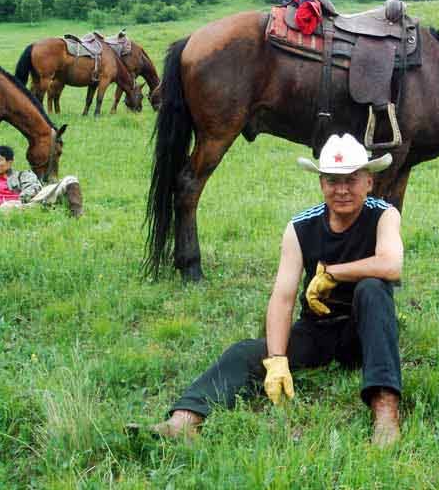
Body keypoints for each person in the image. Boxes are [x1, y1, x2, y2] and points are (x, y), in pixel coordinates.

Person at [149, 133, 404, 446]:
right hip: (318, 329)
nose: (341, 190)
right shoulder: (301, 227)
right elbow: (283, 299)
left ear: (369, 182)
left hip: (366, 333)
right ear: (321, 183)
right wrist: (277, 358)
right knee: (244, 351)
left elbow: (392, 265)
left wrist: (332, 273)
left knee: (372, 287)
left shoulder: (383, 215)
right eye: (332, 180)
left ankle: (385, 410)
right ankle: (184, 419)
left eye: (351, 180)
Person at [0, 145, 83, 217]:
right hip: (14, 207)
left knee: (70, 179)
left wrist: (22, 198)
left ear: (9, 163)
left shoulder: (22, 175)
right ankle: (48, 207)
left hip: (34, 199)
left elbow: (33, 187)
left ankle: (76, 214)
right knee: (5, 207)